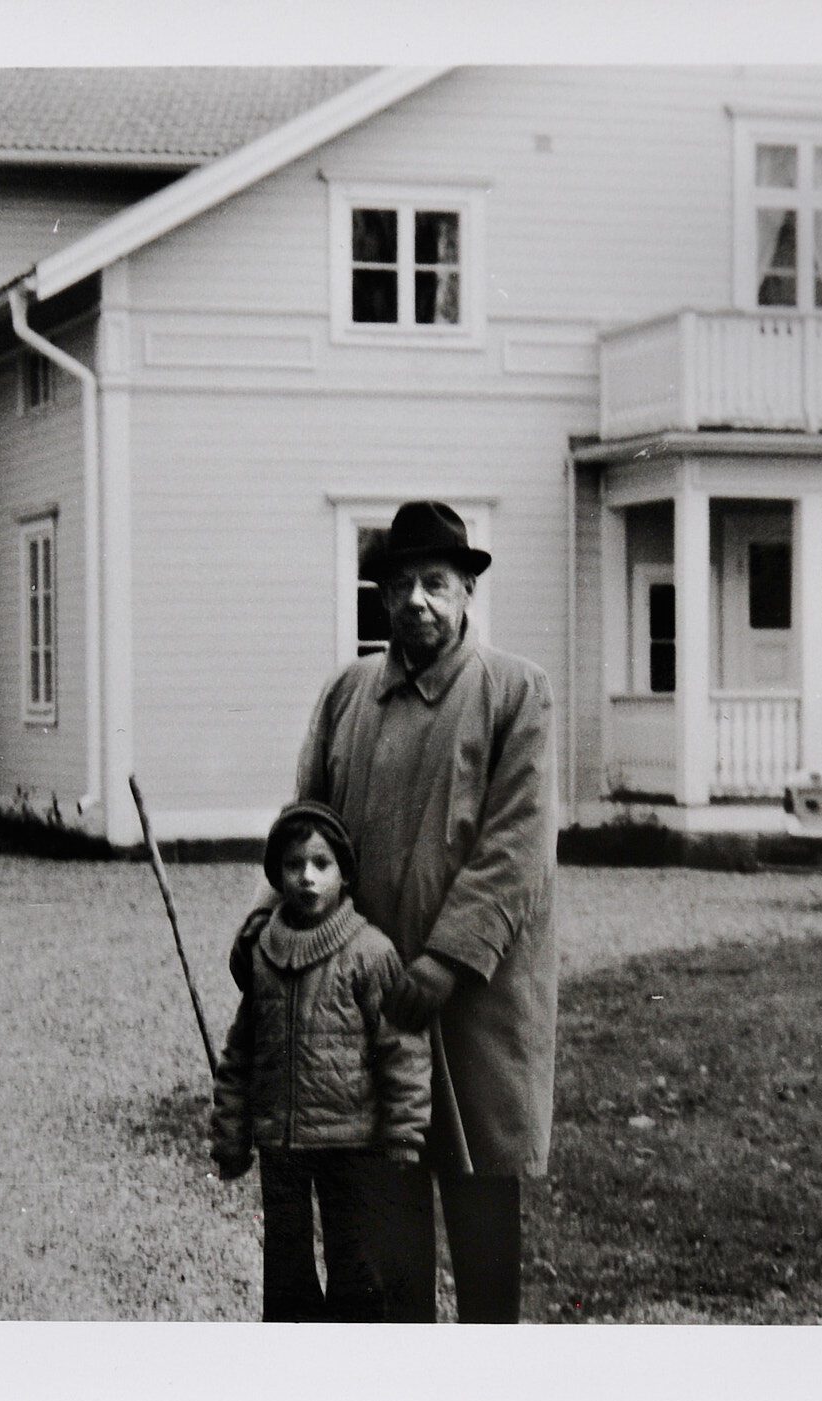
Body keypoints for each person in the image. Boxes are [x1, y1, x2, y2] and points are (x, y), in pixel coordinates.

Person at [247, 499, 558, 1324]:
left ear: (465, 594)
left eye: (435, 582)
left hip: (475, 1009)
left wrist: (447, 959)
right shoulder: (347, 696)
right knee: (385, 1228)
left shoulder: (515, 693)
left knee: (483, 1209)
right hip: (368, 1008)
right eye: (400, 585)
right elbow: (303, 828)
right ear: (379, 598)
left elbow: (515, 843)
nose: (416, 599)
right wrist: (264, 930)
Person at [209, 800, 431, 1322]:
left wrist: (405, 1131)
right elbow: (242, 1053)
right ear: (277, 875)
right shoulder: (264, 952)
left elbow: (401, 1049)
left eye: (321, 864)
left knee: (355, 1265)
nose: (306, 877)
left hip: (350, 1143)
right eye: (293, 865)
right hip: (281, 1144)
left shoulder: (369, 953)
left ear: (344, 875)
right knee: (285, 1268)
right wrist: (231, 1133)